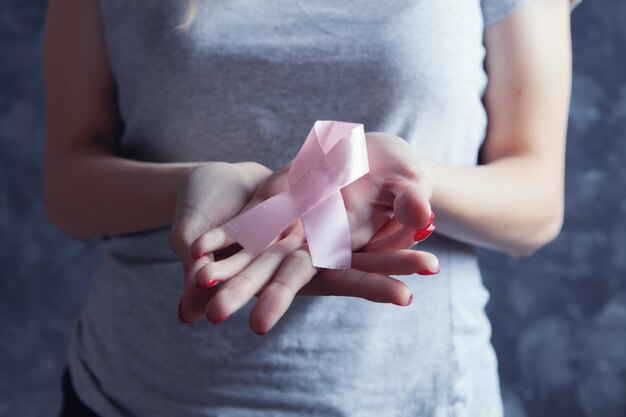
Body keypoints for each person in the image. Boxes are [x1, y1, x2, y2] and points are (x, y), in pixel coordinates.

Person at [43, 0, 579, 416]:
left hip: (416, 395)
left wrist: (405, 178)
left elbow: (536, 204)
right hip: (137, 392)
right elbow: (68, 186)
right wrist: (186, 187)